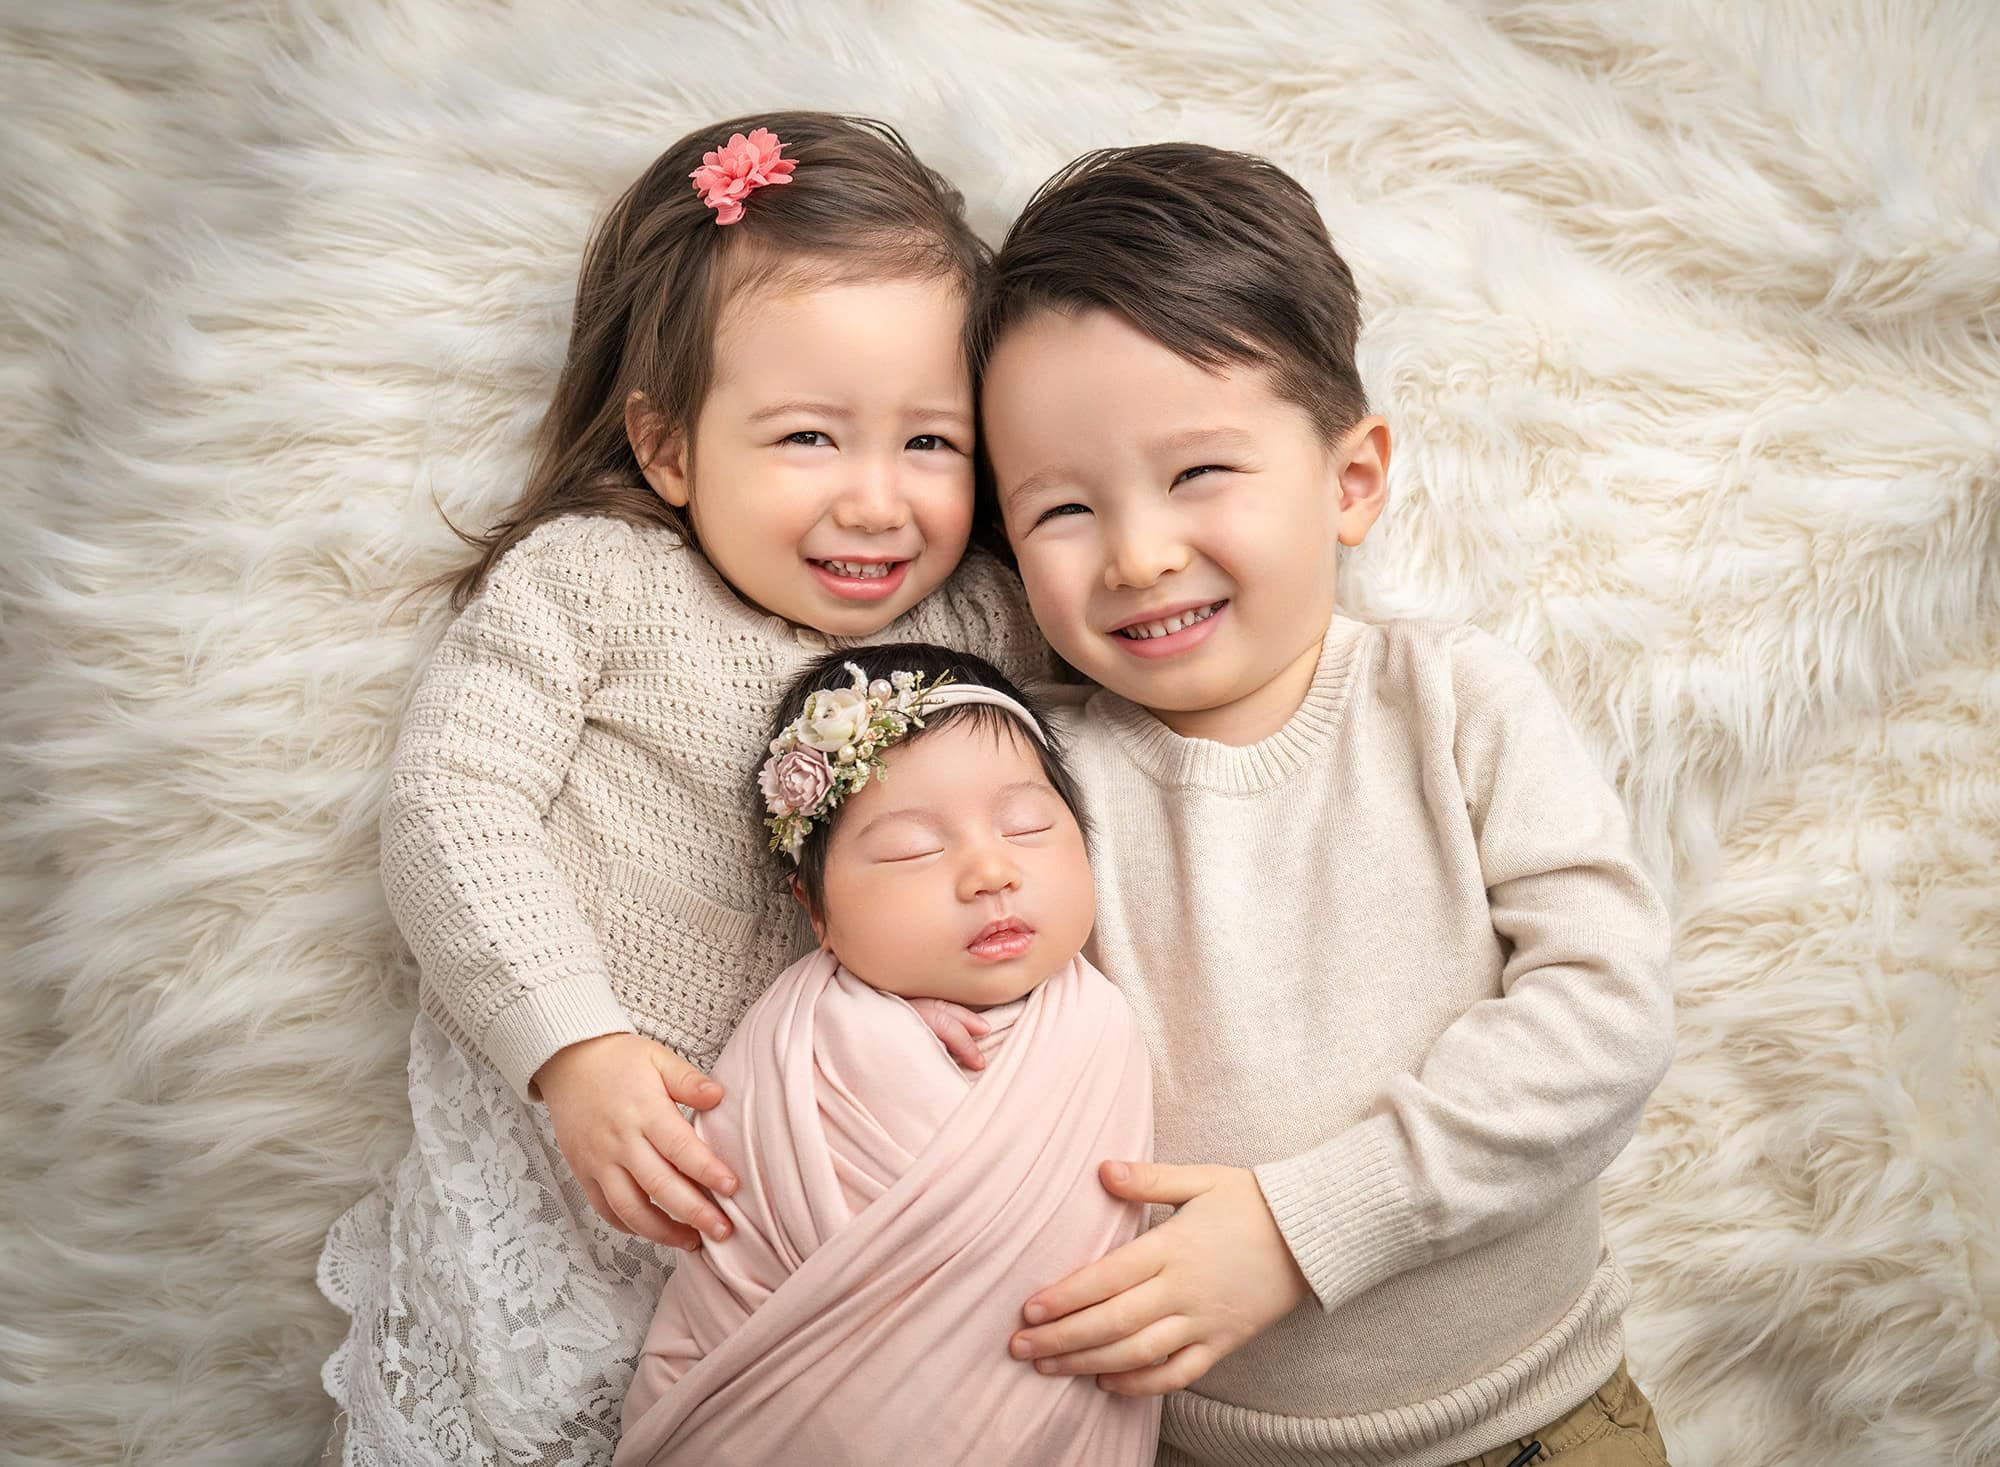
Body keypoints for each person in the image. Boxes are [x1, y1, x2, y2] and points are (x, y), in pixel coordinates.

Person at [316, 113, 1052, 1464]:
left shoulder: (984, 627)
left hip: (834, 1225)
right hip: (577, 1169)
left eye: (932, 444)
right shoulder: (597, 581)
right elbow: (451, 801)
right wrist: (572, 1044)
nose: (878, 501)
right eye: (809, 438)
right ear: (668, 448)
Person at [973, 143, 1678, 1467]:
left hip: (1536, 1419)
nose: (1136, 551)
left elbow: (1607, 1012)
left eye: (1199, 475)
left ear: (1351, 480)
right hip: (1195, 1441)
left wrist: (1306, 1222)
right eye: (1062, 507)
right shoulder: (1038, 782)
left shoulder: (1451, 702)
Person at [614, 644, 1157, 1467]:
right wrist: (882, 1025)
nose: (991, 871)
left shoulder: (1101, 1022)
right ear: (816, 909)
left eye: (1029, 826)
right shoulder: (800, 1038)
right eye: (910, 849)